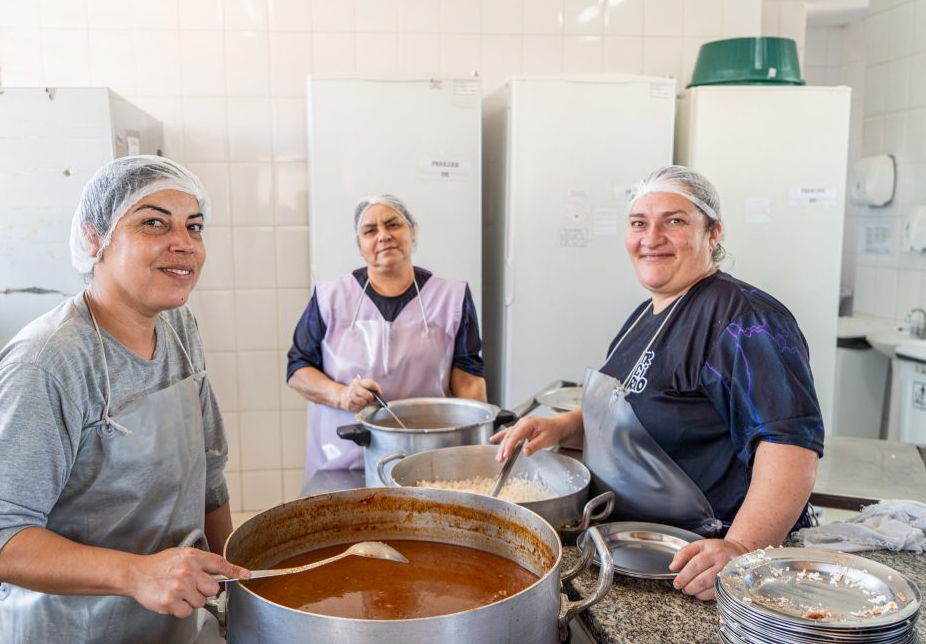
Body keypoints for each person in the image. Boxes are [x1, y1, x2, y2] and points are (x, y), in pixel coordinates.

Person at [0, 156, 249, 644]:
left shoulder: (179, 328)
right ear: (95, 238)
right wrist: (137, 575)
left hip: (166, 640)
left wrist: (242, 596)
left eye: (193, 226)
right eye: (154, 222)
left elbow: (209, 475)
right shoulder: (47, 363)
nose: (185, 242)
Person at [495, 166, 822, 601]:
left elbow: (789, 446)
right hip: (635, 548)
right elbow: (640, 402)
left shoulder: (745, 319)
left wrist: (741, 549)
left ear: (713, 232)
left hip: (699, 562)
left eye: (675, 220)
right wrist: (563, 426)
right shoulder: (648, 314)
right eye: (639, 223)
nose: (651, 237)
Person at [287, 194, 487, 481]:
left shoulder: (452, 298)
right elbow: (298, 369)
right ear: (360, 246)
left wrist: (477, 453)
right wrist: (341, 395)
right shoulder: (329, 297)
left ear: (413, 233)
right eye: (370, 230)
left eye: (393, 225)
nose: (383, 236)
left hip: (429, 459)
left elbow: (468, 380)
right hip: (342, 460)